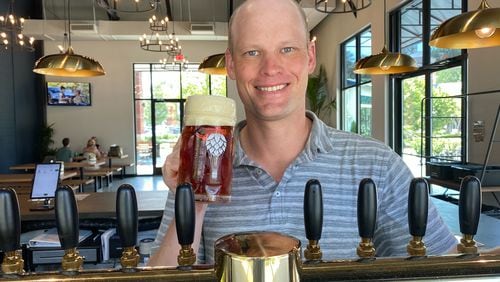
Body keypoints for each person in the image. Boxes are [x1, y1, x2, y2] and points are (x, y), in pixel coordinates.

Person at [148, 0, 457, 266]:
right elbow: (161, 279)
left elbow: (443, 265)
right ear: (231, 64)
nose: (271, 68)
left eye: (287, 49)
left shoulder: (376, 164)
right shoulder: (204, 171)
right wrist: (197, 200)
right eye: (252, 52)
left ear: (310, 56)